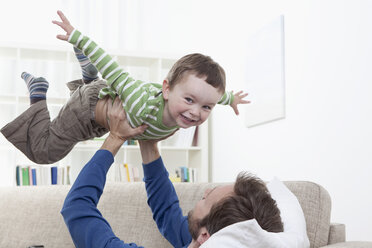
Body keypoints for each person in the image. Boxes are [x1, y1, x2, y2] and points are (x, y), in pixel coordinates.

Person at [0, 10, 249, 164]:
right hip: (86, 110)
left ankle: (89, 75)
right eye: (189, 101)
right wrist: (78, 37)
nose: (196, 112)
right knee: (45, 152)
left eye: (207, 107)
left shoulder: (189, 105)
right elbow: (114, 70)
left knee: (99, 96)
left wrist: (231, 99)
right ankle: (38, 92)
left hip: (100, 121)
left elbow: (216, 95)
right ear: (166, 89)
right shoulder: (140, 103)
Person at [61, 96, 283, 248]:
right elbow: (167, 214)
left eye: (206, 199)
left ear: (205, 236)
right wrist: (149, 143)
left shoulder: (203, 235)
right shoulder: (210, 237)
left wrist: (116, 138)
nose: (205, 192)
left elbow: (76, 207)